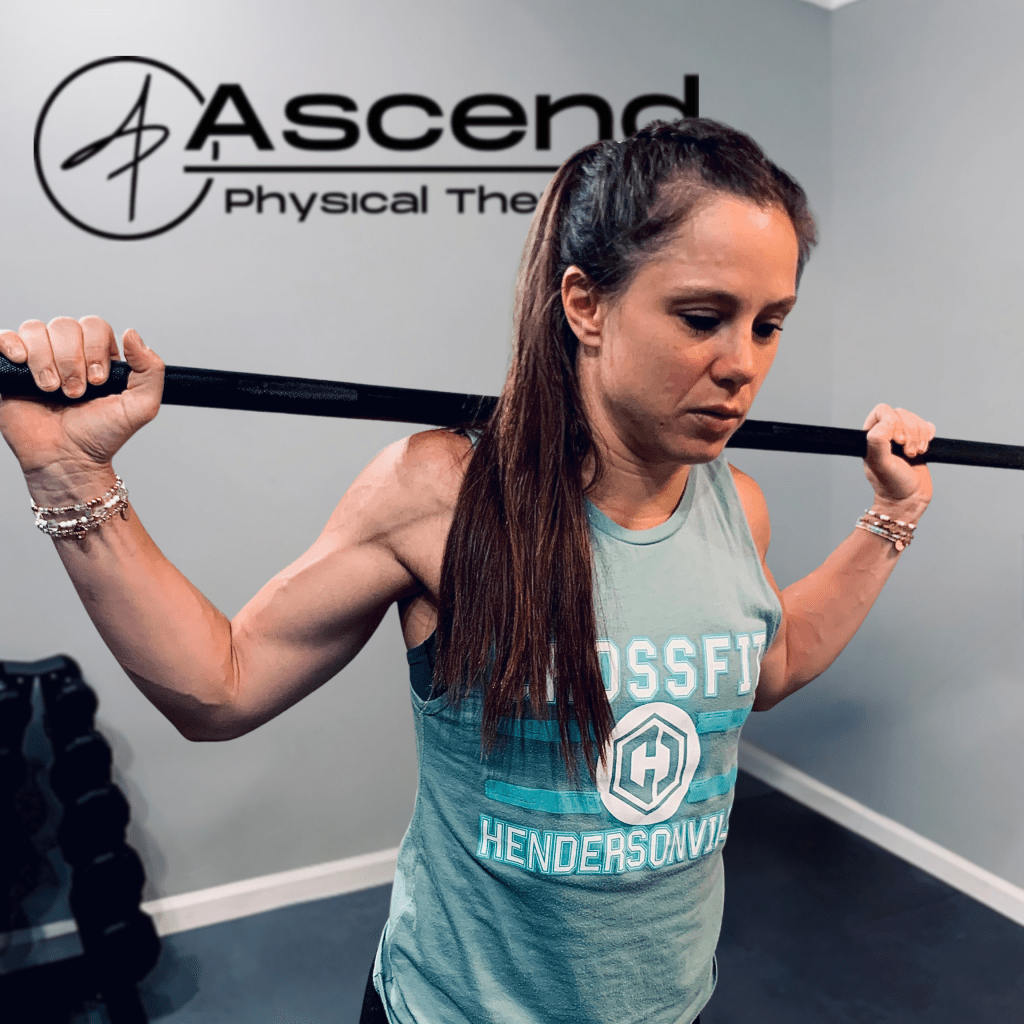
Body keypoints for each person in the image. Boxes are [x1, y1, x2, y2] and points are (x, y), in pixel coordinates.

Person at [0, 119, 934, 1024]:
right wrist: (69, 474)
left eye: (770, 325)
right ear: (587, 305)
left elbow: (762, 670)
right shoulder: (441, 493)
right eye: (702, 318)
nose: (743, 365)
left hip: (671, 1004)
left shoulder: (740, 506)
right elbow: (220, 687)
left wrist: (891, 515)